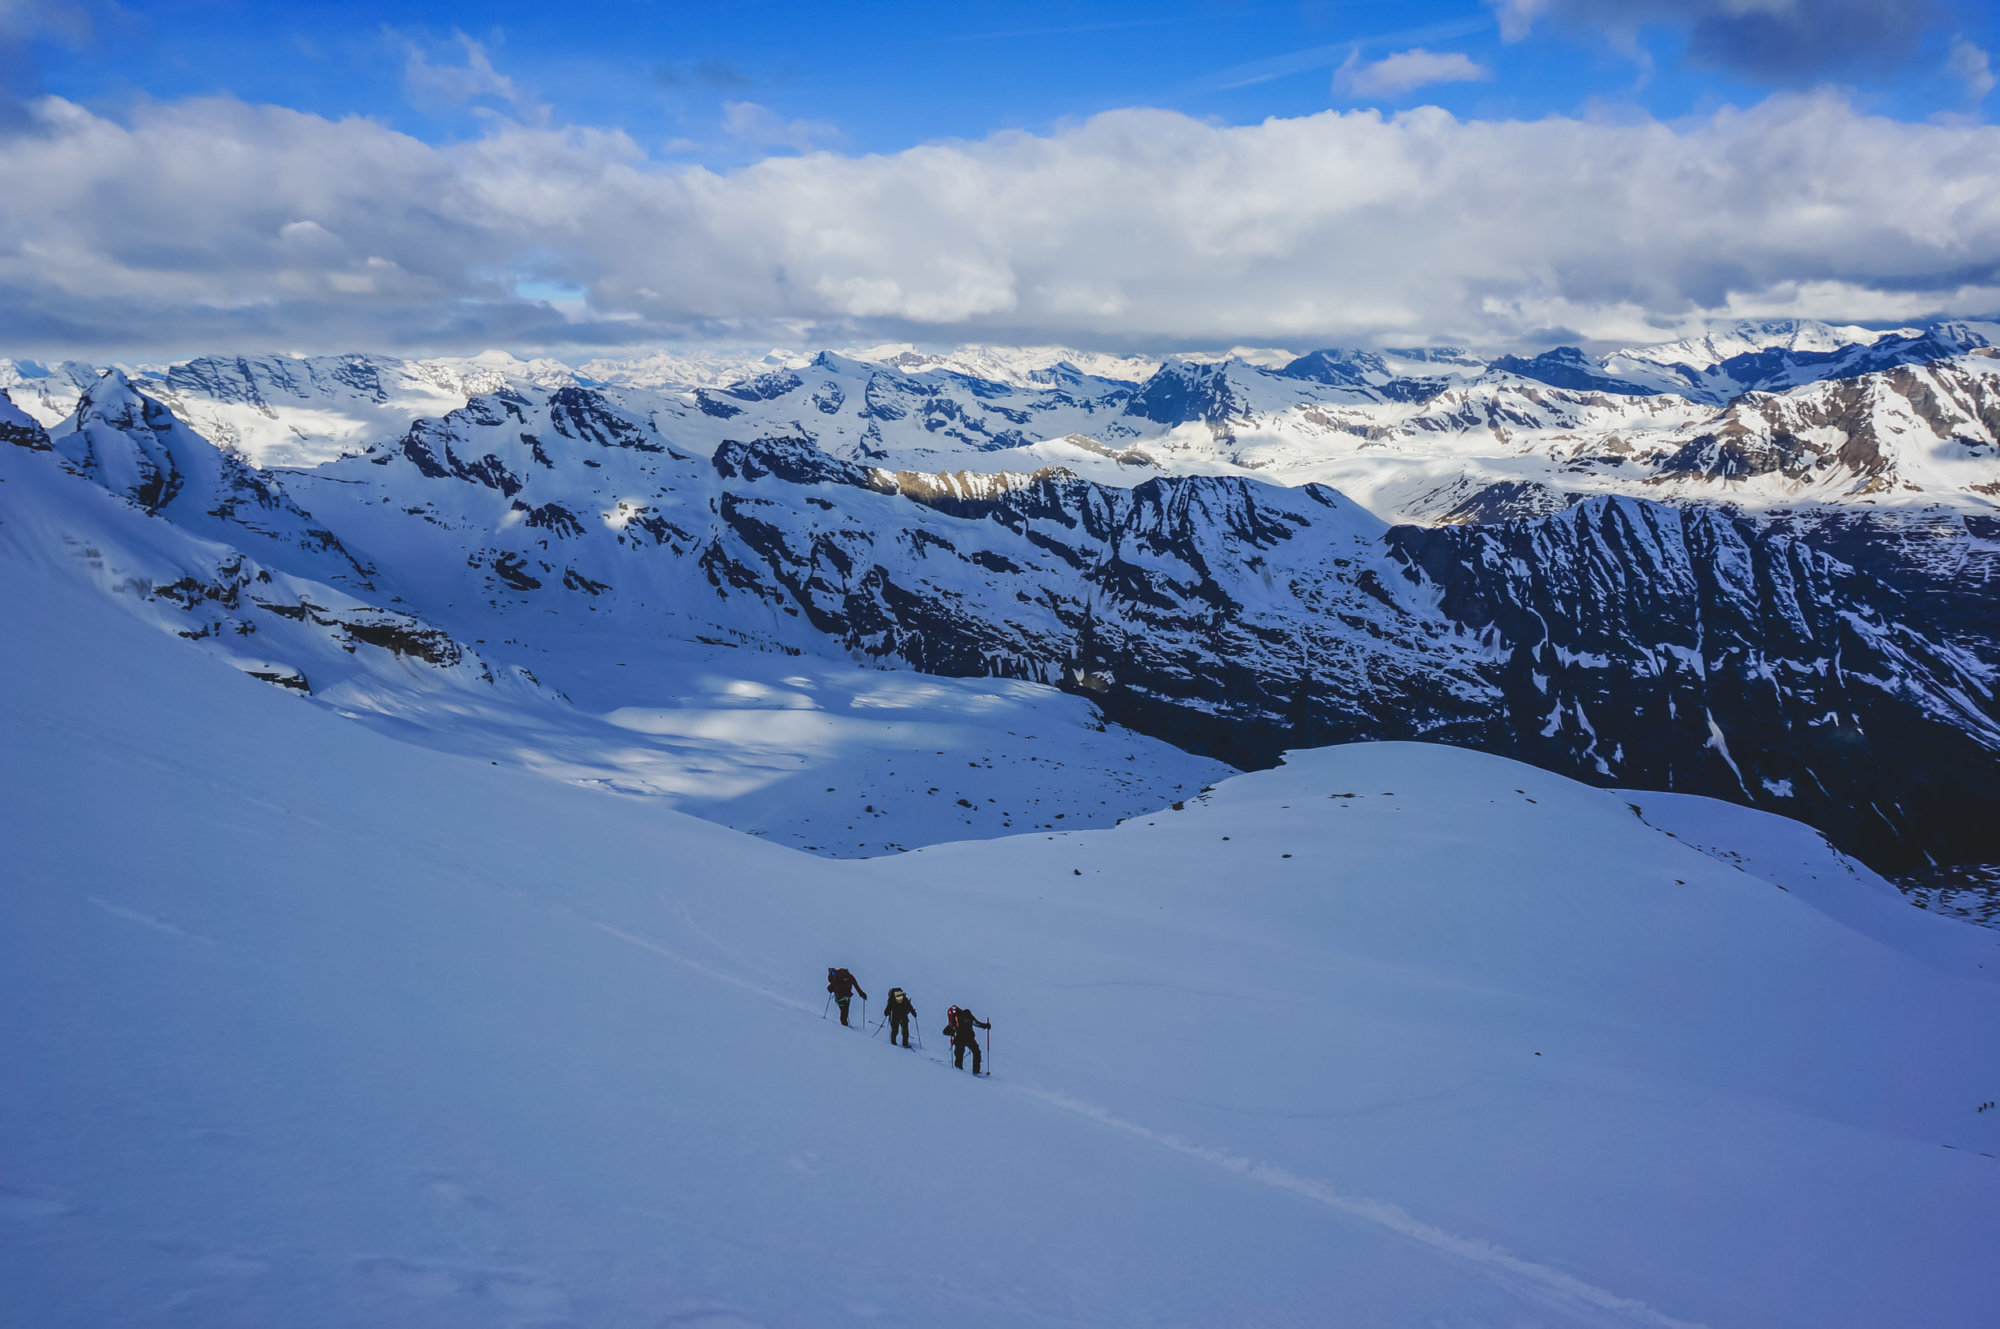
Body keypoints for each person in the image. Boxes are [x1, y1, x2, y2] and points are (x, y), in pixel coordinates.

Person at [944, 1004, 991, 1073]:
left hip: (969, 1038)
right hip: (959, 1039)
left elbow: (977, 1024)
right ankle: (958, 1071)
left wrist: (986, 1026)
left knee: (977, 1052)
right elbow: (945, 1031)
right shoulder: (956, 1019)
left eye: (968, 1019)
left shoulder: (971, 1018)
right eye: (966, 1019)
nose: (967, 1020)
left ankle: (976, 1071)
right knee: (959, 1055)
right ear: (963, 1017)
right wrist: (952, 1033)